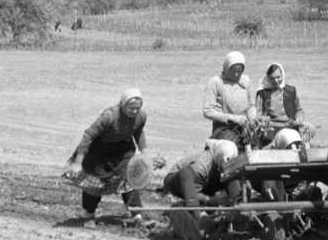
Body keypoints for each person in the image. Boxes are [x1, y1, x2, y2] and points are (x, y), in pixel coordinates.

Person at [63, 88, 151, 224]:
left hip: (123, 150)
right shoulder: (109, 116)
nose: (134, 112)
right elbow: (89, 135)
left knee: (130, 179)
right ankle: (88, 214)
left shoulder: (141, 117)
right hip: (99, 151)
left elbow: (138, 132)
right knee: (93, 185)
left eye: (137, 108)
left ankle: (137, 216)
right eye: (131, 108)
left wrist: (145, 154)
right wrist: (78, 162)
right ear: (123, 104)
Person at [162, 138, 239, 206]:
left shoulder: (222, 163)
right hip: (177, 181)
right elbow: (189, 184)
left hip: (203, 184)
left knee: (233, 178)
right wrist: (206, 200)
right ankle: (194, 212)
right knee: (186, 175)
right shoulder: (203, 165)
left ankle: (236, 205)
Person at [203, 50, 256, 145]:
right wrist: (233, 118)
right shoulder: (216, 82)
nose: (236, 74)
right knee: (232, 145)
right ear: (226, 68)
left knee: (259, 141)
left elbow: (251, 105)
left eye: (239, 71)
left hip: (244, 126)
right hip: (223, 129)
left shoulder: (246, 81)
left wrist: (252, 118)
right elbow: (207, 111)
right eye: (233, 71)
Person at [255, 63, 305, 144]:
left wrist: (299, 119)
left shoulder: (291, 91)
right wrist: (264, 122)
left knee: (305, 132)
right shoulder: (262, 93)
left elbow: (299, 110)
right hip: (271, 129)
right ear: (267, 78)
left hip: (291, 126)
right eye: (272, 78)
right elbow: (258, 114)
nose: (276, 81)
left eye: (278, 77)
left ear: (282, 75)